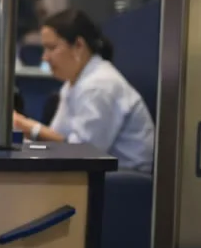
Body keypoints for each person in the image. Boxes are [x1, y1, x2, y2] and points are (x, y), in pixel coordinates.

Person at [13, 9, 155, 172]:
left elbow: (83, 153)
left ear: (79, 45)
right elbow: (59, 139)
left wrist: (29, 127)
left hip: (122, 182)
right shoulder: (74, 83)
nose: (45, 57)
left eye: (51, 48)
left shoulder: (100, 85)